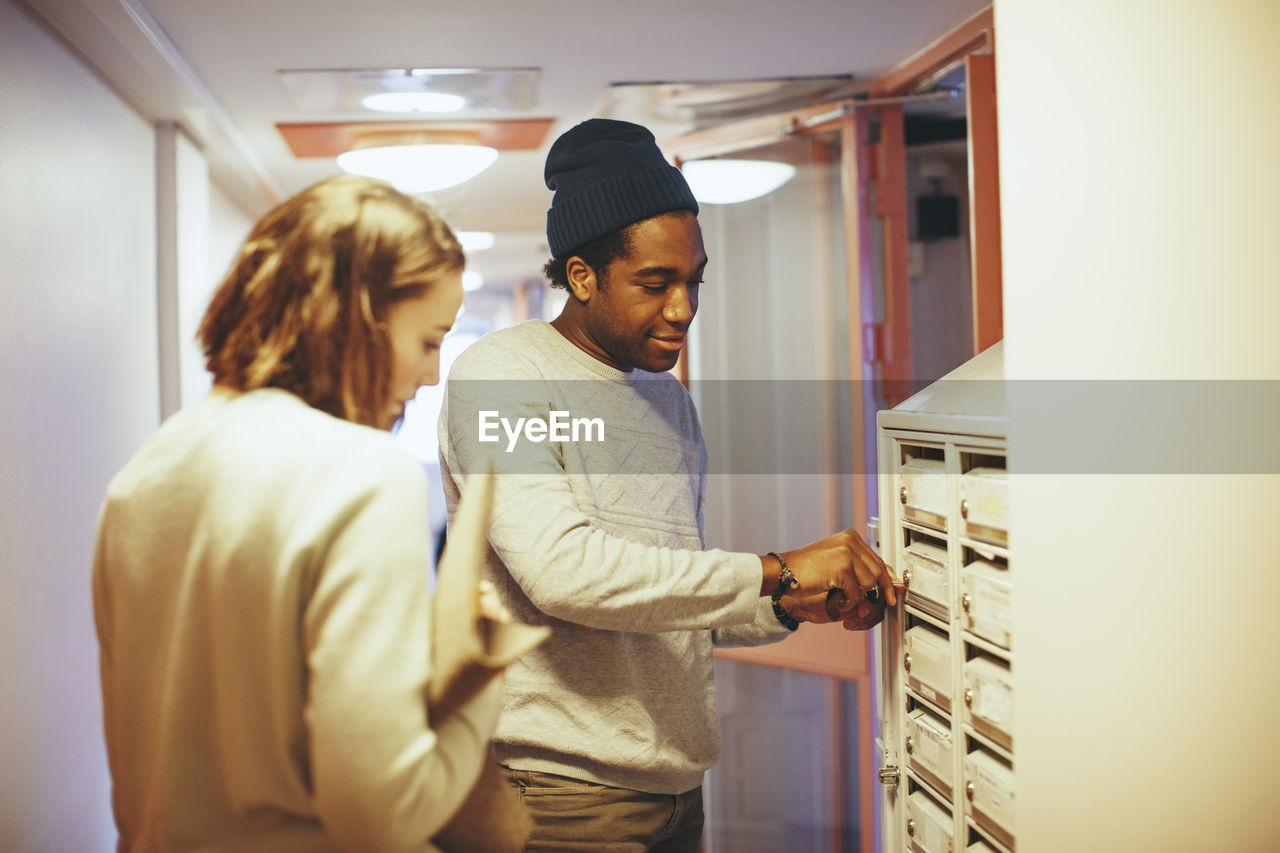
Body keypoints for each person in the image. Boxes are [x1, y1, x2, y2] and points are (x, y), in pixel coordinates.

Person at [438, 118, 897, 852]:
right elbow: (565, 573)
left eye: (693, 281)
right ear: (582, 275)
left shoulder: (665, 398)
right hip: (560, 803)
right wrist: (773, 568)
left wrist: (789, 598)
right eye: (656, 284)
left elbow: (669, 604)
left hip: (676, 796)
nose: (682, 309)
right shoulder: (502, 377)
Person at [93, 175, 502, 852]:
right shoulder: (365, 474)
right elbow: (383, 818)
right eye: (429, 342)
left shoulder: (146, 469)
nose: (432, 376)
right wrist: (482, 681)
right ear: (358, 319)